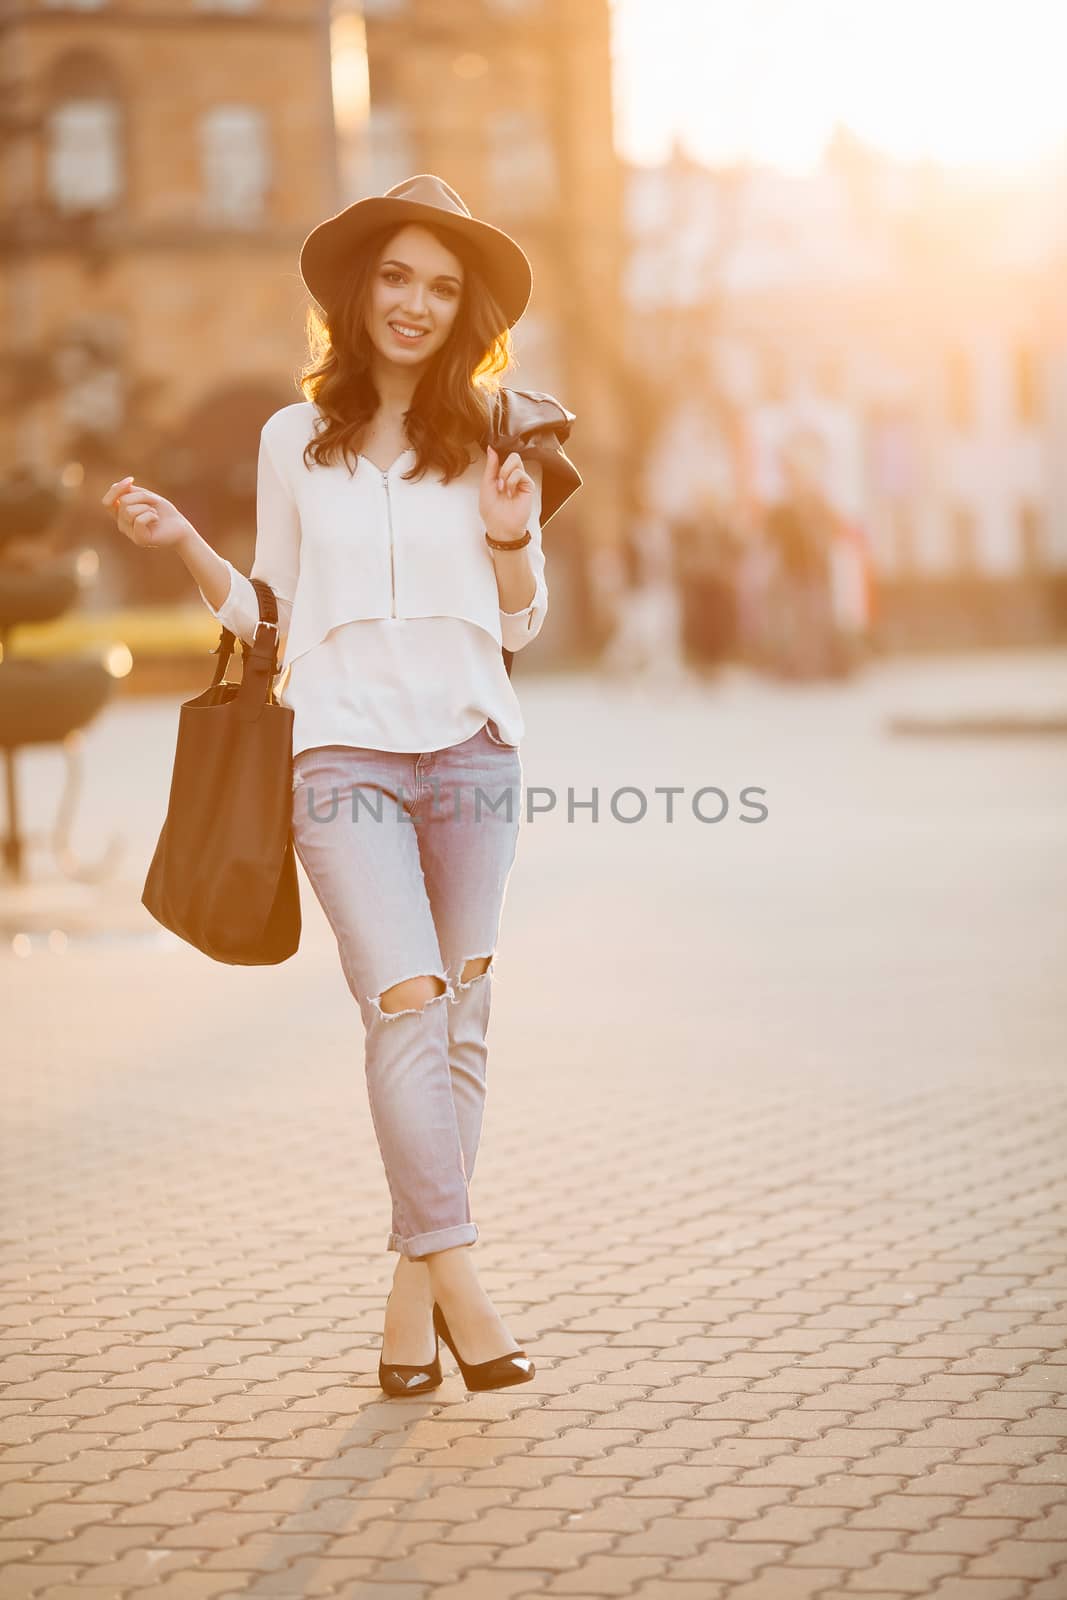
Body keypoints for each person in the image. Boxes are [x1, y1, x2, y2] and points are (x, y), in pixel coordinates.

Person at [101, 174, 582, 1396]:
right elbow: (267, 609)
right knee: (405, 1004)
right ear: (358, 291)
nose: (414, 303)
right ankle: (464, 1281)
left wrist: (514, 534)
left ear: (462, 308)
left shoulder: (493, 435)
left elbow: (521, 627)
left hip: (473, 747)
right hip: (343, 757)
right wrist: (183, 547)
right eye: (395, 277)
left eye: (439, 285)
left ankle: (406, 1300)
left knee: (459, 1016)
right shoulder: (289, 437)